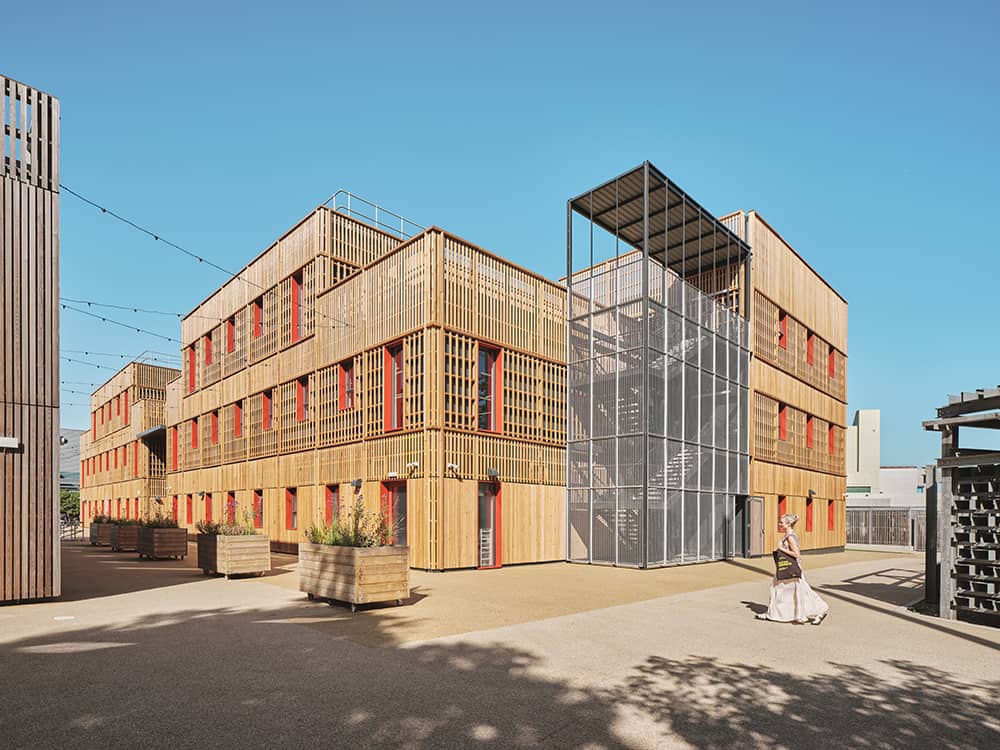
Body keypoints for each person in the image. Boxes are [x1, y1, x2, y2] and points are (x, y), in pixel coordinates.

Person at [756, 513, 829, 624]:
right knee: (789, 591)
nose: (779, 524)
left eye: (781, 522)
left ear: (788, 523)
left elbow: (796, 554)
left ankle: (817, 611)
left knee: (792, 591)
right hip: (789, 568)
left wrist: (781, 548)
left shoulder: (790, 536)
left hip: (790, 569)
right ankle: (777, 614)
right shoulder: (788, 535)